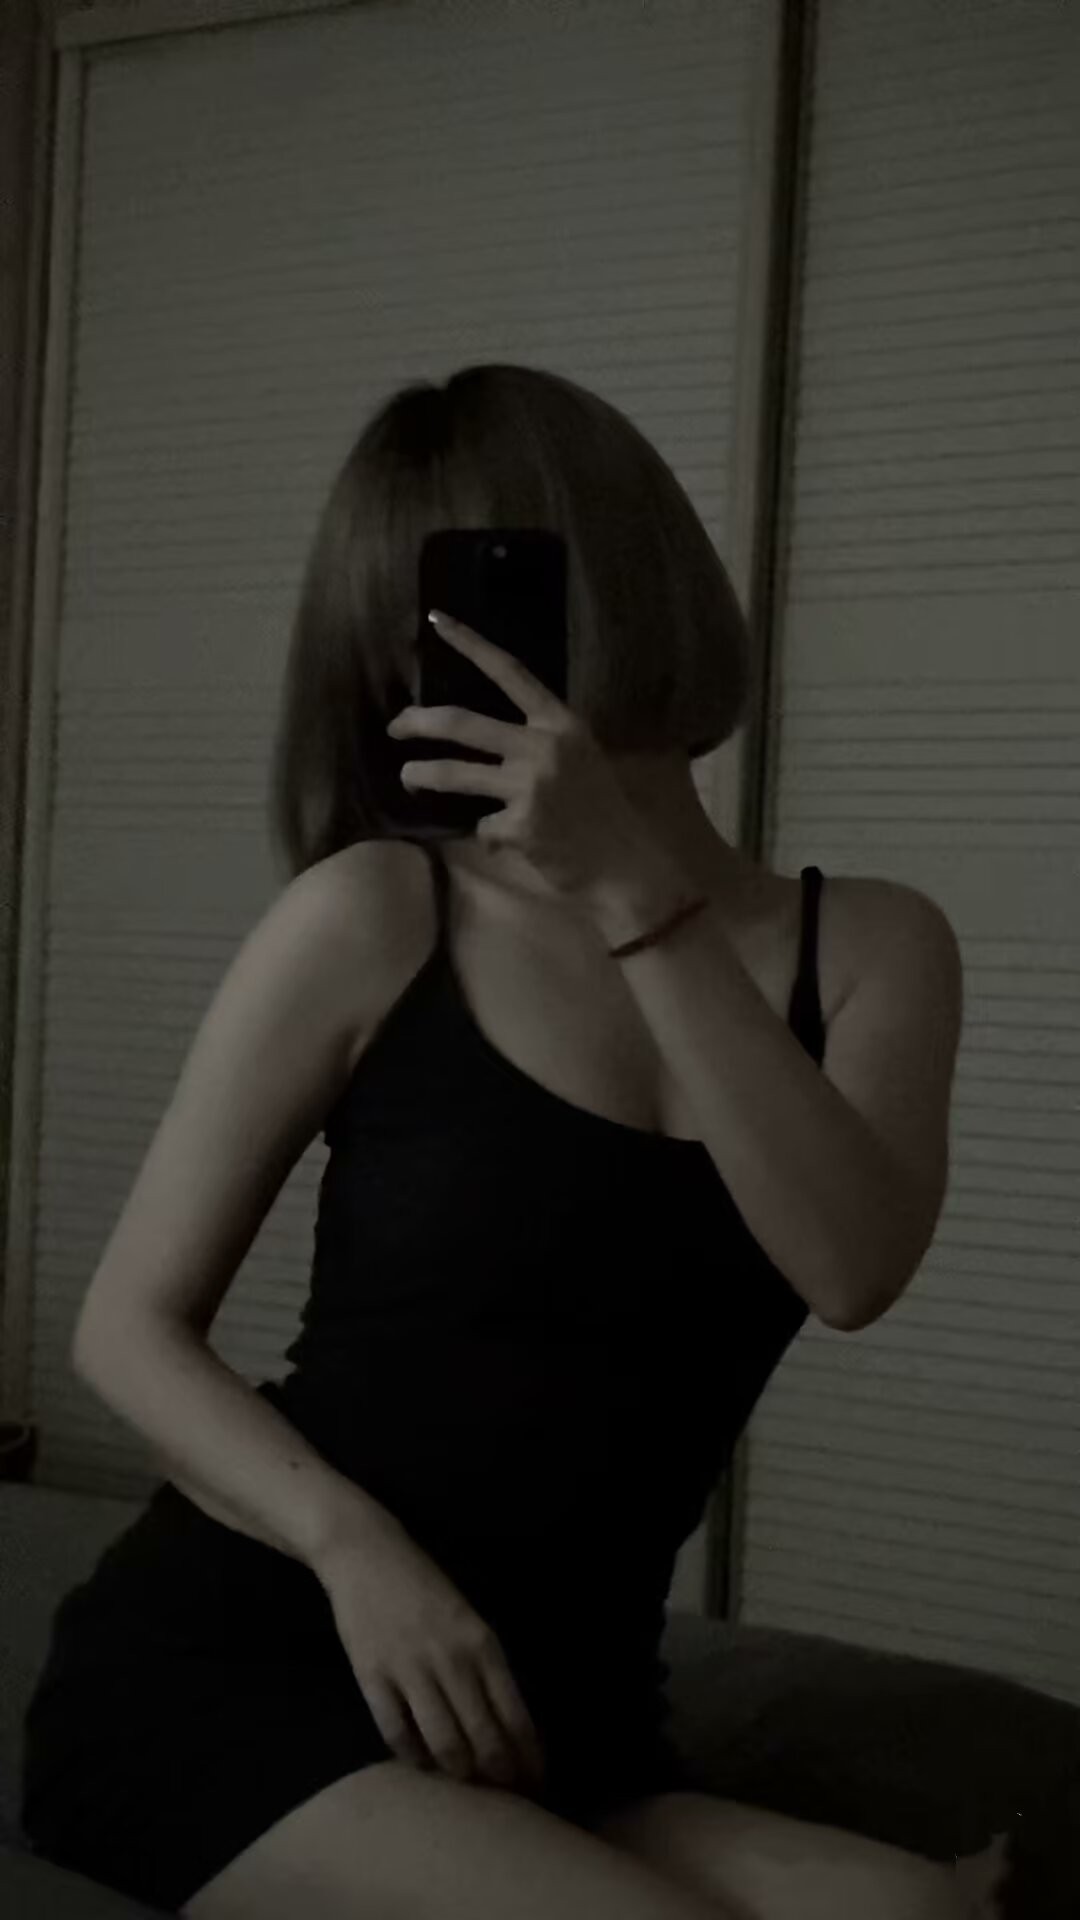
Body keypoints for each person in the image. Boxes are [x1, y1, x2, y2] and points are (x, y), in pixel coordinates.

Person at [21, 365, 986, 1919]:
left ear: (629, 582)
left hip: (563, 1714)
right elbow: (124, 1331)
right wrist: (358, 1555)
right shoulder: (372, 913)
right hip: (251, 1667)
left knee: (920, 1915)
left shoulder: (876, 949)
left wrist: (634, 897)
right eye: (400, 619)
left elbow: (852, 1266)